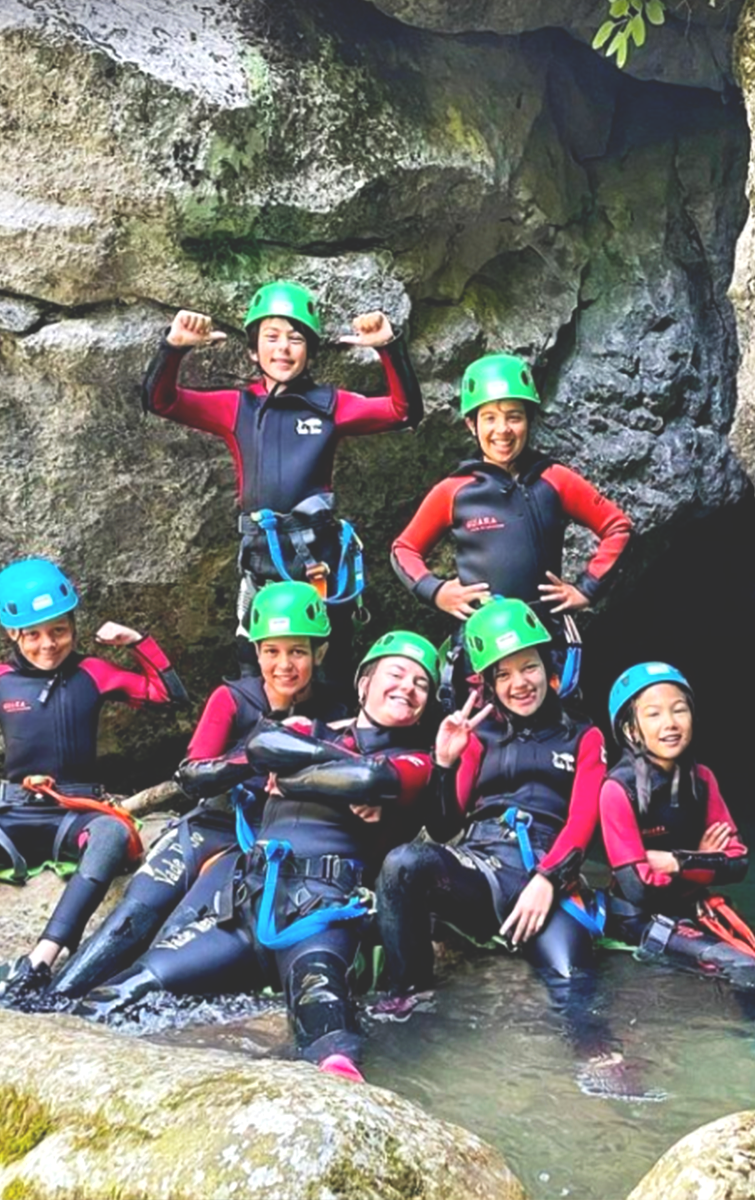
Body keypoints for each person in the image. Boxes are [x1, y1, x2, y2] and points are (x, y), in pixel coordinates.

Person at [77, 631, 441, 1083]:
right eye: (396, 674)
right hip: (245, 907)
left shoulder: (416, 762)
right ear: (363, 684)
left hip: (319, 914)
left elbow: (368, 779)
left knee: (330, 1036)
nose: (408, 687)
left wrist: (295, 779)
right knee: (124, 991)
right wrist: (335, 769)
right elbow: (263, 748)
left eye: (421, 684)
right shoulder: (309, 726)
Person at [0, 557, 185, 1023]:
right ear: (13, 634)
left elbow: (170, 695)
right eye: (33, 634)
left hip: (73, 816)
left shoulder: (94, 673)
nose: (47, 644)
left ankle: (38, 965)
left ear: (73, 625)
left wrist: (137, 643)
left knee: (110, 835)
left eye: (59, 631)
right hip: (11, 819)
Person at [41, 581, 352, 1003]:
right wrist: (256, 757)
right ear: (256, 652)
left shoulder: (337, 713)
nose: (284, 665)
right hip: (212, 822)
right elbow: (192, 774)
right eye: (272, 651)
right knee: (132, 916)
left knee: (180, 937)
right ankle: (51, 1002)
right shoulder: (232, 699)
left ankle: (122, 1013)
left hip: (263, 845)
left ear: (319, 652)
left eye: (297, 651)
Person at [142, 281, 422, 682]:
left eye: (295, 338)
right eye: (271, 338)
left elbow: (403, 411)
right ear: (254, 351)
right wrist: (174, 347)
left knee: (327, 663)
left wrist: (388, 347)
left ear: (309, 350)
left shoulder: (330, 405)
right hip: (262, 561)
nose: (283, 348)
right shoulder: (239, 407)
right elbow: (161, 401)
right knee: (252, 665)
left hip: (318, 563)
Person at [373, 599, 608, 1038]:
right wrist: (444, 765)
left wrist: (547, 879)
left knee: (574, 986)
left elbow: (583, 821)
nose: (519, 683)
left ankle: (603, 1062)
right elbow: (444, 827)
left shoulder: (584, 735)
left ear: (548, 665)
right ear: (489, 684)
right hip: (483, 868)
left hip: (547, 873)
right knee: (404, 864)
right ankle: (409, 998)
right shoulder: (480, 735)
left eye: (528, 667)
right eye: (503, 674)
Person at [390, 353, 631, 700]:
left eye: (514, 417)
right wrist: (436, 591)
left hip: (545, 641)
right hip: (480, 641)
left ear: (529, 421)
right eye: (489, 418)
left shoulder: (555, 480)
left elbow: (617, 527)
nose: (502, 430)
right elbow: (404, 549)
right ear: (471, 425)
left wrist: (587, 588)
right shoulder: (455, 490)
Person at [602, 662, 755, 976]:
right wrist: (706, 862)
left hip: (692, 906)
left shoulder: (702, 779)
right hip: (638, 918)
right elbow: (638, 888)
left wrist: (679, 861)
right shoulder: (617, 790)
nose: (670, 723)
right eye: (654, 714)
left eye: (679, 710)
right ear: (631, 730)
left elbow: (739, 863)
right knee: (742, 966)